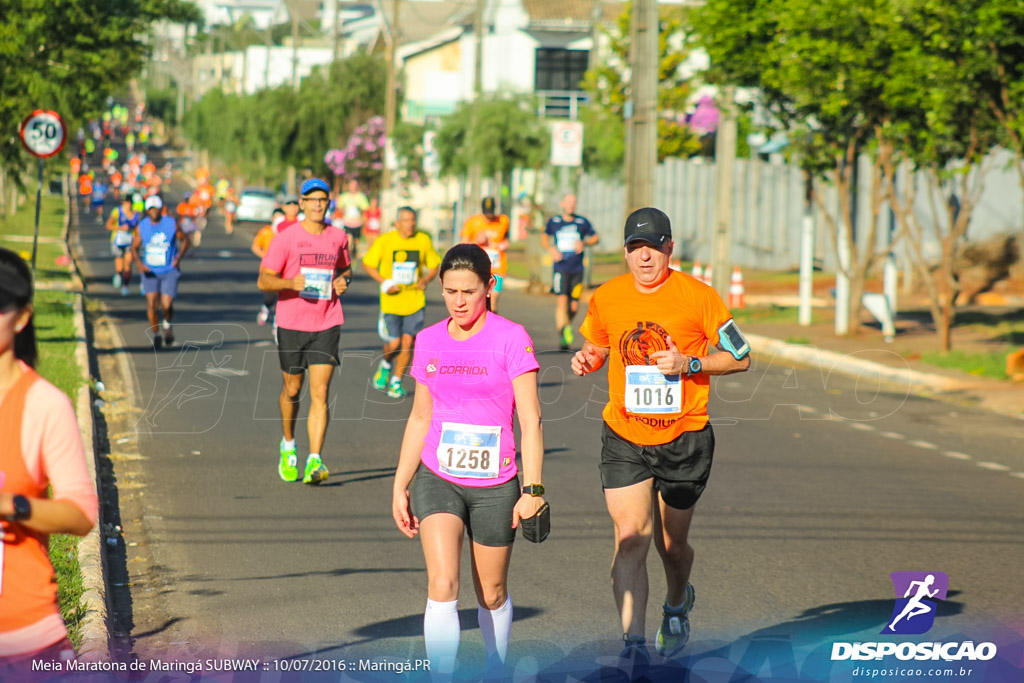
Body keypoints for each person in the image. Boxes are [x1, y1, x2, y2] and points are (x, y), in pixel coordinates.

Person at [570, 208, 751, 670]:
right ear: (625, 251)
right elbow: (599, 345)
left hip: (684, 438)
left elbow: (741, 357)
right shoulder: (607, 296)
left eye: (652, 246)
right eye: (634, 247)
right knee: (630, 537)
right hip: (625, 434)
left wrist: (690, 365)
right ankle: (633, 645)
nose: (644, 256)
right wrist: (588, 359)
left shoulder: (700, 297)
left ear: (670, 247)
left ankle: (675, 604)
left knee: (672, 545)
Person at [392, 243, 545, 678]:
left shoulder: (511, 338)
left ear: (489, 287)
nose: (459, 302)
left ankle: (496, 668)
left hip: (496, 485)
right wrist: (401, 483)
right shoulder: (429, 340)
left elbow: (531, 421)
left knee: (491, 591)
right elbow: (421, 415)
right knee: (442, 584)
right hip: (438, 477)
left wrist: (532, 490)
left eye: (469, 292)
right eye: (450, 291)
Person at [0, 248, 98, 676]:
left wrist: (14, 506)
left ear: (21, 318)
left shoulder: (43, 404)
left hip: (23, 638)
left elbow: (81, 514)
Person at [258, 179, 352, 485]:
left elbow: (345, 269)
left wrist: (343, 282)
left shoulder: (338, 237)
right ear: (302, 203)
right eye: (311, 200)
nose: (317, 205)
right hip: (291, 323)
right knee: (293, 389)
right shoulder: (286, 238)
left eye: (322, 200)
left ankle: (315, 459)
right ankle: (288, 445)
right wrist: (290, 283)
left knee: (320, 391)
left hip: (326, 321)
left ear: (328, 203)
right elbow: (264, 280)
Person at [362, 206, 441, 398]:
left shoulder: (423, 240)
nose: (410, 224)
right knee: (394, 343)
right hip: (391, 302)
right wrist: (385, 282)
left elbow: (434, 265)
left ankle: (396, 383)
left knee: (407, 343)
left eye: (413, 220)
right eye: (406, 220)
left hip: (414, 301)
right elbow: (368, 264)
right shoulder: (385, 241)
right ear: (397, 223)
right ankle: (386, 364)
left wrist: (425, 280)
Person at [131, 196, 190, 349]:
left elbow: (186, 240)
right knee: (151, 304)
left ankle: (168, 324)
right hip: (150, 271)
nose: (154, 211)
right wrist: (139, 264)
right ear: (147, 210)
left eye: (156, 208)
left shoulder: (171, 224)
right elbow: (134, 248)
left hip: (169, 270)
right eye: (151, 209)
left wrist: (178, 258)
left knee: (166, 305)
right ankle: (156, 334)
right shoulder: (142, 226)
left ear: (161, 209)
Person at [542, 194, 599, 351]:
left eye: (573, 202)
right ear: (562, 204)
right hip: (560, 268)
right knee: (562, 301)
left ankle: (567, 324)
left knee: (574, 306)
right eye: (568, 202)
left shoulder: (582, 222)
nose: (571, 205)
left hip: (577, 269)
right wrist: (551, 249)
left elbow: (595, 237)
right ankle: (564, 334)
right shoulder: (554, 222)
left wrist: (584, 242)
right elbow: (545, 237)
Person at [461, 197, 510, 314]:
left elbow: (506, 239)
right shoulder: (472, 222)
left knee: (493, 299)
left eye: (491, 213)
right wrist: (476, 240)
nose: (489, 217)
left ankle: (492, 326)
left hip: (497, 267)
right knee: (479, 299)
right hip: (477, 268)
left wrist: (504, 244)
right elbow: (463, 245)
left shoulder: (503, 221)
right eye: (486, 213)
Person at [252, 209, 286, 326]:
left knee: (284, 298)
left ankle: (278, 322)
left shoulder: (288, 233)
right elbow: (256, 246)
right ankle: (265, 309)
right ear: (272, 219)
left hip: (285, 271)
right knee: (269, 298)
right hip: (269, 270)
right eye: (276, 217)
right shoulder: (266, 232)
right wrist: (266, 257)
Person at [106, 196, 141, 296]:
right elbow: (108, 225)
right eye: (126, 202)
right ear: (123, 202)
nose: (128, 204)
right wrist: (120, 228)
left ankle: (125, 286)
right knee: (120, 264)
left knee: (128, 264)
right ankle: (118, 274)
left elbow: (138, 229)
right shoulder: (117, 212)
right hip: (118, 241)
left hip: (130, 242)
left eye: (130, 202)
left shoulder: (136, 214)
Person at [335, 179, 369, 256]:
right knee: (349, 239)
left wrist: (359, 210)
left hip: (357, 223)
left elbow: (365, 210)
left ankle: (354, 254)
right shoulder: (344, 197)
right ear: (348, 187)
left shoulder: (361, 197)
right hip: (347, 222)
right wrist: (343, 211)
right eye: (351, 186)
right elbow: (339, 208)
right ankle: (348, 254)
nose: (352, 188)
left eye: (354, 186)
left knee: (355, 241)